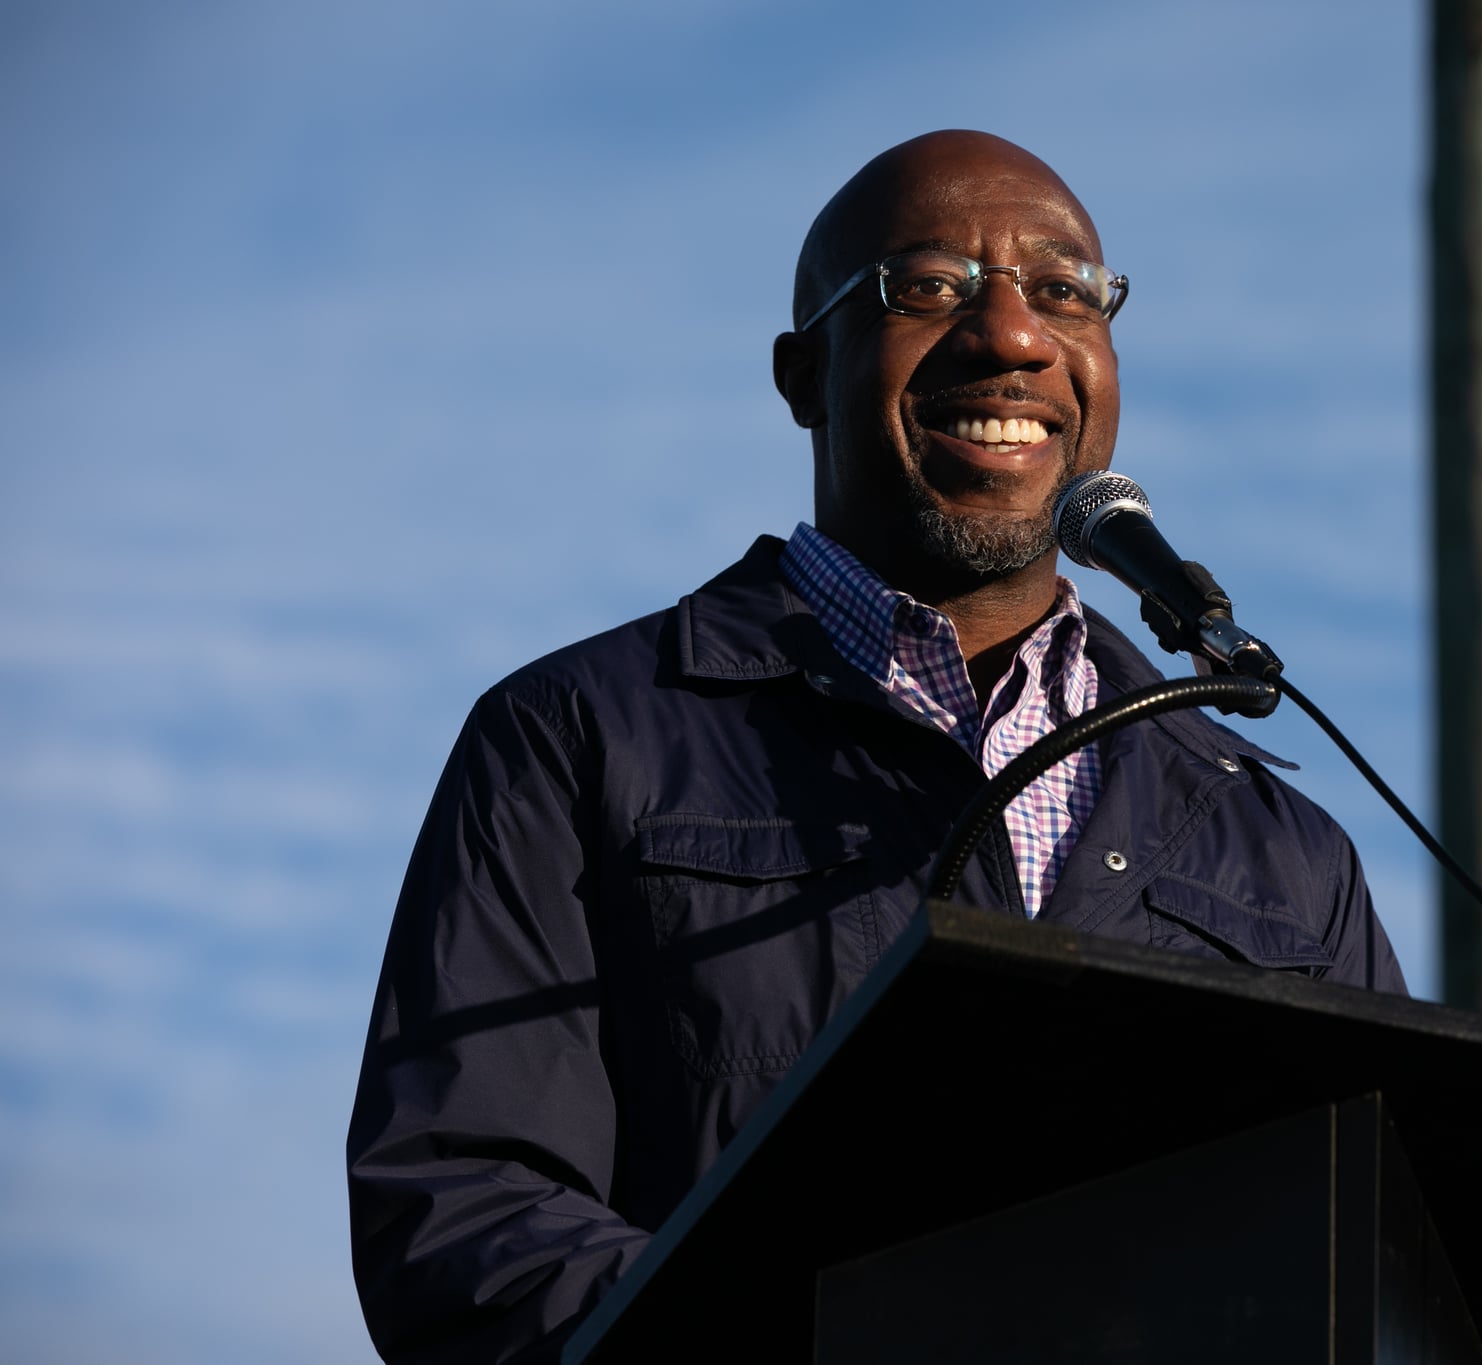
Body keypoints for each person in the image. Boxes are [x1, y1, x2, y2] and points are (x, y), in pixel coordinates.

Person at [346, 129, 1406, 1364]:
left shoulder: (1282, 849)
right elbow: (463, 1207)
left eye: (1063, 293)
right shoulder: (575, 737)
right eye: (929, 286)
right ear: (805, 376)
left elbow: (1379, 1266)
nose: (1011, 336)